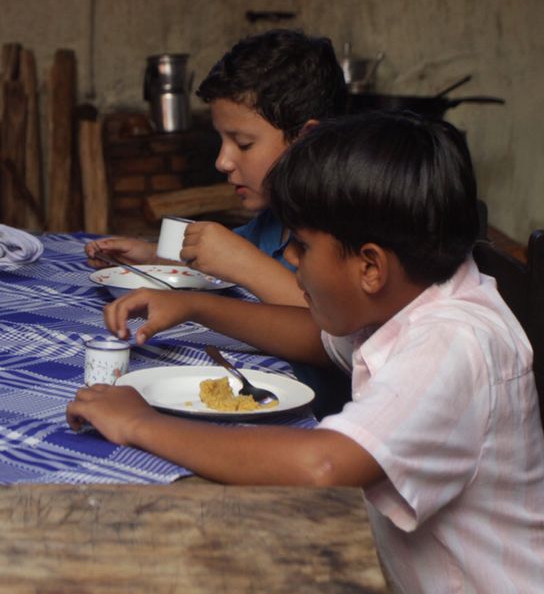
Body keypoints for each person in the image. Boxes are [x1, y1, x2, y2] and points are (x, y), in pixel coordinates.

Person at [67, 112, 544, 594]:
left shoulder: (454, 345)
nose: (290, 263)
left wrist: (140, 424)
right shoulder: (416, 293)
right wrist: (196, 306)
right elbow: (320, 341)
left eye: (301, 247)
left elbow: (321, 465)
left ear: (369, 265)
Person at [84, 29, 349, 411]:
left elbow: (335, 332)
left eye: (243, 144)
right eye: (221, 141)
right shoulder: (277, 217)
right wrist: (151, 254)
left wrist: (240, 261)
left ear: (308, 139)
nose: (222, 161)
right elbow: (217, 260)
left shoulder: (346, 221)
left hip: (320, 419)